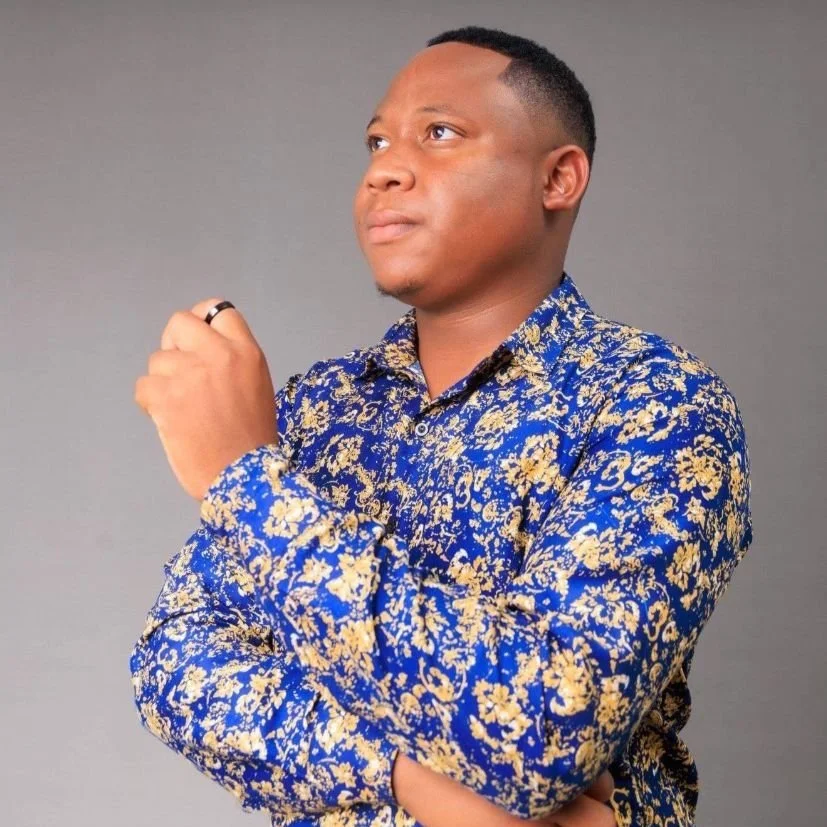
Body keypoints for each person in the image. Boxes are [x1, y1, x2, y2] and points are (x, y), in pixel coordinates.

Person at [129, 25, 753, 827]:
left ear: (557, 178)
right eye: (376, 142)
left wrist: (243, 481)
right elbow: (177, 664)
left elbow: (545, 722)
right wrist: (426, 788)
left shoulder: (655, 401)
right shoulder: (318, 408)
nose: (383, 169)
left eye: (440, 133)